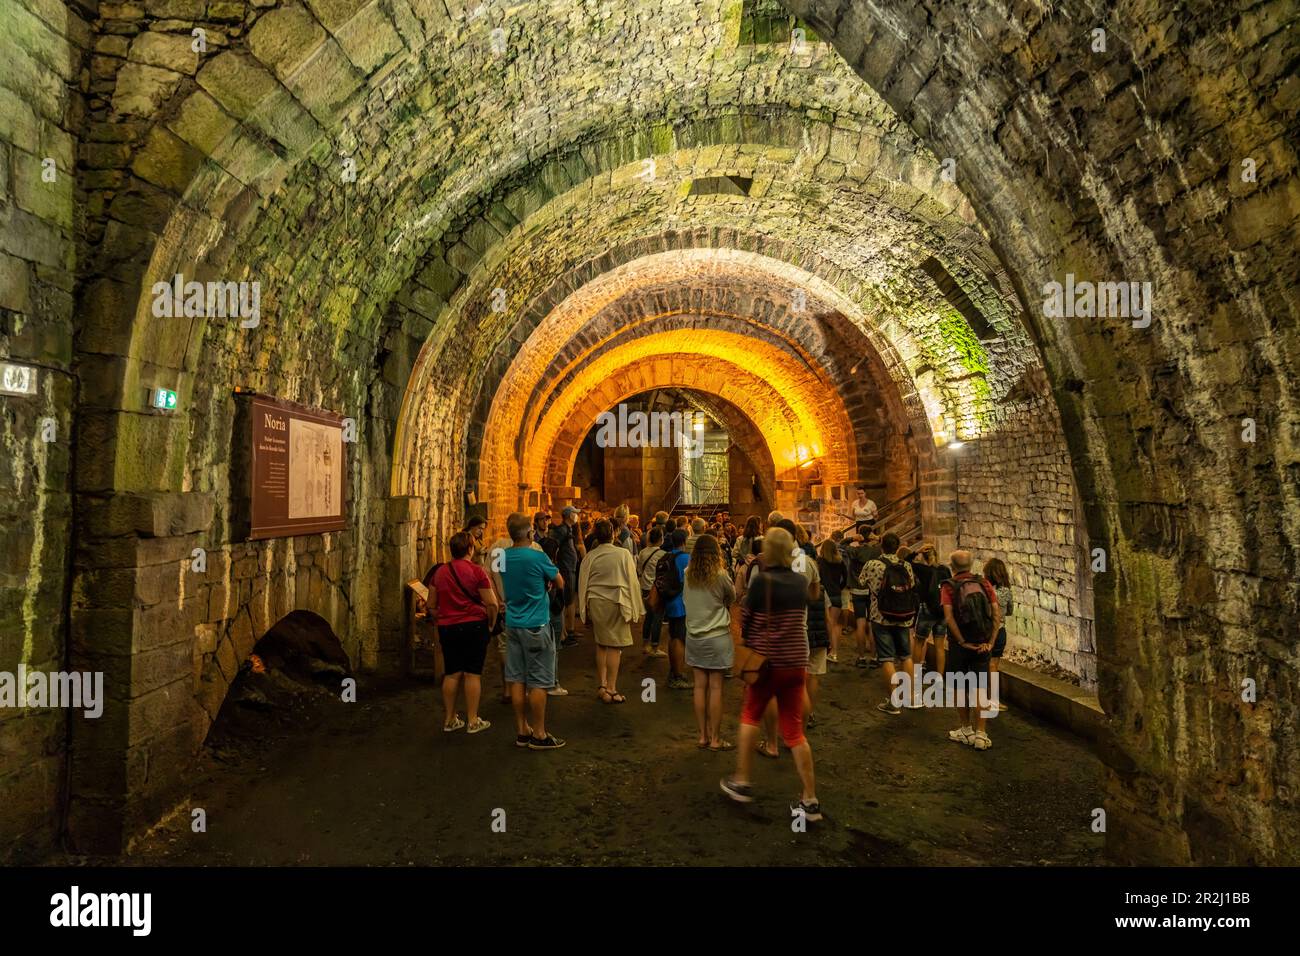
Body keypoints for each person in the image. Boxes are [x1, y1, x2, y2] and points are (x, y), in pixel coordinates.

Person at [720, 528, 821, 821]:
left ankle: (742, 780)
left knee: (751, 714)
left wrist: (747, 643)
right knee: (795, 731)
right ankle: (810, 798)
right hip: (795, 661)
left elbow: (745, 619)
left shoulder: (762, 581)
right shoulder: (800, 583)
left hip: (765, 662)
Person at [498, 512, 566, 751]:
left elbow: (499, 579)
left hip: (513, 624)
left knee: (516, 678)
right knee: (538, 681)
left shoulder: (503, 557)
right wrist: (545, 583)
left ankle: (522, 729)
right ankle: (539, 733)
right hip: (536, 623)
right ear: (529, 532)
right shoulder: (537, 556)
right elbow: (559, 581)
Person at [430, 532, 499, 734]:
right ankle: (472, 720)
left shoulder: (440, 572)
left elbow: (432, 605)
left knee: (451, 674)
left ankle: (450, 719)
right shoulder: (477, 572)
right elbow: (492, 603)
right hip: (474, 626)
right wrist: (490, 625)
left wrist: (441, 621)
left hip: (448, 627)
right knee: (472, 673)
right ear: (470, 549)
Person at [578, 519, 644, 704]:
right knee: (615, 646)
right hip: (617, 601)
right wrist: (637, 607)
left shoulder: (590, 556)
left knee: (601, 643)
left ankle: (602, 685)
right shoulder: (623, 554)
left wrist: (584, 609)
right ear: (613, 534)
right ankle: (612, 688)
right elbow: (632, 581)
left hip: (596, 602)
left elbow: (583, 582)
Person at [941, 550, 1002, 751]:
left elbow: (949, 618)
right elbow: (995, 612)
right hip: (983, 643)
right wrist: (991, 641)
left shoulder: (948, 586)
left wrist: (961, 641)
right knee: (980, 688)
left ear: (952, 566)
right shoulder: (984, 583)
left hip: (960, 645)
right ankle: (981, 735)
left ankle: (966, 728)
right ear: (971, 565)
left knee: (959, 686)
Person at [682, 534, 736, 750]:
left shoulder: (687, 575)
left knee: (699, 687)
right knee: (716, 688)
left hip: (694, 635)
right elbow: (731, 597)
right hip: (717, 636)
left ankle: (702, 736)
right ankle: (715, 739)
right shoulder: (720, 575)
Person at [861, 532, 919, 715]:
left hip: (881, 616)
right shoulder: (906, 566)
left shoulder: (873, 564)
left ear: (881, 546)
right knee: (906, 656)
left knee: (886, 658)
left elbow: (862, 582)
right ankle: (910, 697)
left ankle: (894, 702)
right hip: (904, 616)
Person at [910, 543, 951, 687]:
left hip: (927, 609)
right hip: (942, 611)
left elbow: (906, 561)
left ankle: (915, 675)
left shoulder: (923, 570)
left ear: (924, 556)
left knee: (919, 641)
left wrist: (917, 551)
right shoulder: (945, 569)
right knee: (940, 644)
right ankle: (939, 678)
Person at [844, 525, 881, 668]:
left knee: (860, 623)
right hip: (871, 590)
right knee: (871, 624)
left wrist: (851, 538)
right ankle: (873, 657)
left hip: (857, 589)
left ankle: (860, 656)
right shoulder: (876, 551)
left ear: (859, 537)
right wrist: (877, 538)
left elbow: (840, 543)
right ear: (870, 535)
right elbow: (888, 542)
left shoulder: (855, 551)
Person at [537, 538, 571, 698]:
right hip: (553, 610)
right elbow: (560, 585)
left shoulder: (534, 566)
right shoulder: (551, 567)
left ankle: (537, 683)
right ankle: (552, 683)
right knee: (554, 649)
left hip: (538, 611)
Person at [549, 507, 584, 647]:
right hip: (565, 569)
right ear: (570, 515)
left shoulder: (569, 529)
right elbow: (553, 545)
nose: (577, 516)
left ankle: (570, 630)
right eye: (575, 513)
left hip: (570, 568)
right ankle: (566, 632)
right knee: (567, 599)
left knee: (570, 598)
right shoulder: (562, 530)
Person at [982, 557, 1013, 712]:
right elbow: (1010, 611)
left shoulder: (982, 589)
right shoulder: (1005, 591)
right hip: (999, 630)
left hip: (983, 631)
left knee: (981, 664)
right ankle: (994, 700)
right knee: (994, 665)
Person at [663, 528, 692, 689]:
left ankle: (673, 669)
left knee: (673, 636)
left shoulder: (666, 556)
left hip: (669, 602)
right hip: (682, 603)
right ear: (684, 541)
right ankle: (678, 675)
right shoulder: (686, 558)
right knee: (679, 638)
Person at [636, 527, 668, 657]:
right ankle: (655, 647)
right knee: (657, 618)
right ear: (661, 539)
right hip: (657, 589)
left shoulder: (642, 552)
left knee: (648, 617)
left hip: (644, 588)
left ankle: (645, 644)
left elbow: (639, 570)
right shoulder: (664, 554)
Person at [816, 539, 849, 664]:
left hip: (825, 594)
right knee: (834, 624)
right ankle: (833, 651)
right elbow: (846, 579)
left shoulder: (820, 561)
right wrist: (839, 588)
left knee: (827, 624)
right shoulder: (840, 562)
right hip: (836, 594)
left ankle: (831, 651)